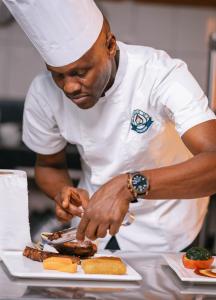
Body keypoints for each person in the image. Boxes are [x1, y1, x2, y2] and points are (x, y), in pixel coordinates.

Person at [4, 0, 216, 252]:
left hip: (166, 235)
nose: (69, 87)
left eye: (80, 72)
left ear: (110, 44)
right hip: (91, 230)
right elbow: (49, 165)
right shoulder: (43, 92)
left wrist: (128, 186)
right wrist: (63, 191)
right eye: (58, 74)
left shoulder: (161, 75)